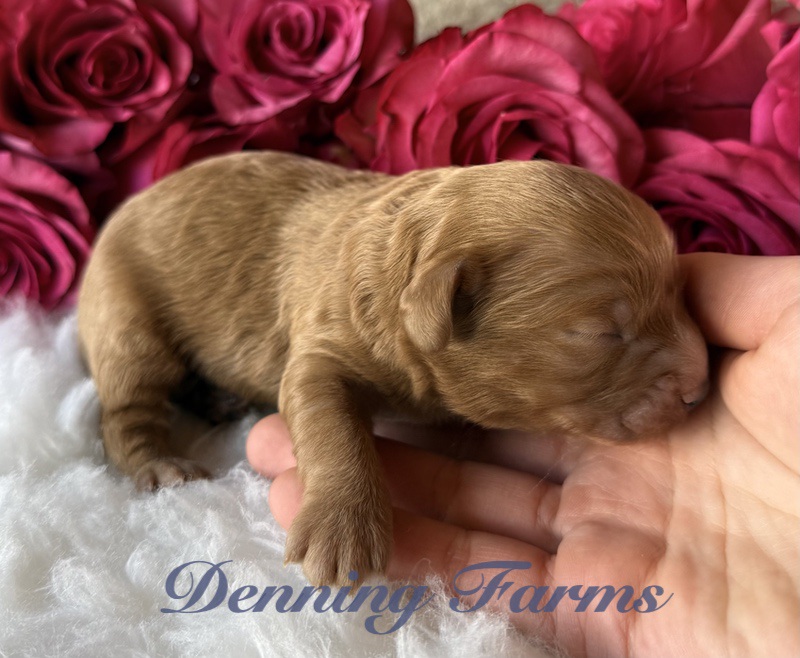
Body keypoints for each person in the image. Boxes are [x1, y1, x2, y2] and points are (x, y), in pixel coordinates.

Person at [246, 253, 799, 657]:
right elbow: (316, 376)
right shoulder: (363, 303)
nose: (698, 371)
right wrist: (340, 491)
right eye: (605, 334)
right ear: (444, 307)